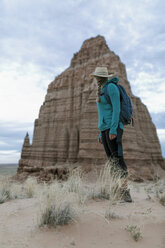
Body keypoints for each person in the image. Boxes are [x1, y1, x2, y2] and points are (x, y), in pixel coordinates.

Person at [90, 66, 132, 202]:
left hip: (113, 128)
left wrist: (113, 129)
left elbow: (116, 109)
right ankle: (115, 190)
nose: (95, 79)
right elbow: (103, 113)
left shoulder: (111, 88)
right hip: (105, 129)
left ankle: (125, 192)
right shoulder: (101, 90)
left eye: (96, 77)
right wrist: (100, 132)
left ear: (99, 77)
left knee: (118, 159)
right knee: (112, 161)